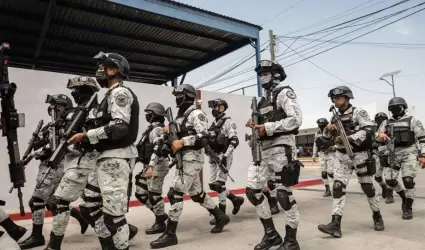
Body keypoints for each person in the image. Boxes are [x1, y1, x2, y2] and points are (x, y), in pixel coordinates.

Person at [67, 52, 139, 250]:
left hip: (116, 157)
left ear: (113, 70)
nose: (98, 71)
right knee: (90, 204)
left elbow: (119, 127)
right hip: (104, 158)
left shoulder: (119, 93)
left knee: (114, 216)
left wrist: (87, 135)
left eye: (102, 67)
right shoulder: (107, 96)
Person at [150, 84, 230, 249]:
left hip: (192, 158)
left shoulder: (197, 114)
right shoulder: (179, 117)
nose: (177, 98)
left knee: (175, 193)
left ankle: (170, 234)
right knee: (196, 194)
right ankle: (220, 216)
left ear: (187, 96)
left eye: (179, 95)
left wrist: (182, 141)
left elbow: (204, 136)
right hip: (183, 158)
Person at [20, 93, 89, 249]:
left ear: (65, 107)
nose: (53, 109)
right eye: (52, 106)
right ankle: (82, 218)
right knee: (53, 203)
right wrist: (35, 144)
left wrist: (35, 154)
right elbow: (40, 144)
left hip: (55, 166)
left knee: (37, 201)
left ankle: (37, 237)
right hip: (47, 166)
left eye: (57, 106)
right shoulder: (51, 126)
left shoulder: (68, 126)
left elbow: (62, 148)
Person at [246, 60, 302, 250]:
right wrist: (254, 125)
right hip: (263, 151)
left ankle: (291, 241)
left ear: (276, 74)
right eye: (261, 74)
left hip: (281, 148)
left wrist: (267, 127)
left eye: (266, 73)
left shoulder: (284, 92)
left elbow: (296, 120)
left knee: (283, 194)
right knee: (253, 191)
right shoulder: (262, 101)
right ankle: (271, 234)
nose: (262, 77)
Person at [318, 86, 384, 238]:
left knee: (368, 188)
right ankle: (335, 224)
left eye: (338, 97)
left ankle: (377, 215)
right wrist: (328, 130)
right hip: (341, 156)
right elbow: (326, 137)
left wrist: (351, 137)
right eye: (333, 98)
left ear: (347, 98)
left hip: (360, 155)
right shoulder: (334, 117)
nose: (335, 100)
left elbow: (370, 129)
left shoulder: (358, 112)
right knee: (337, 186)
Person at [377, 97, 425, 220]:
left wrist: (423, 155)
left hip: (409, 152)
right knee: (389, 180)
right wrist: (380, 135)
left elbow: (422, 138)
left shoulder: (412, 121)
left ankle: (408, 207)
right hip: (392, 152)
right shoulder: (386, 123)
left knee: (408, 180)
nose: (394, 110)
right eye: (391, 108)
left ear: (403, 107)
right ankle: (404, 196)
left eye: (396, 107)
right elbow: (377, 135)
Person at [207, 98, 244, 225]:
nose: (213, 110)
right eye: (212, 108)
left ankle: (221, 216)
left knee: (219, 185)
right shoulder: (213, 124)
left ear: (221, 108)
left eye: (215, 107)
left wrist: (225, 156)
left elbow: (235, 140)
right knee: (212, 184)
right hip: (214, 157)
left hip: (225, 155)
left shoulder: (228, 122)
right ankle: (235, 199)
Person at [135, 102, 170, 234]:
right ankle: (160, 214)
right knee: (140, 192)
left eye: (149, 113)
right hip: (149, 165)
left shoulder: (157, 130)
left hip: (157, 166)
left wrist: (150, 166)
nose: (146, 115)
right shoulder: (151, 129)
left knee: (154, 195)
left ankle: (160, 223)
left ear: (155, 114)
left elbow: (157, 147)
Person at [373, 112, 393, 204]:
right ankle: (383, 187)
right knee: (377, 176)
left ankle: (390, 195)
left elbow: (392, 142)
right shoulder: (374, 129)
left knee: (388, 176)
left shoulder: (389, 127)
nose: (380, 121)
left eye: (382, 119)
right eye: (378, 120)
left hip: (387, 153)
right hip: (377, 154)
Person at [312, 118, 335, 197]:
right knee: (324, 173)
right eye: (319, 125)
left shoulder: (331, 131)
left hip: (330, 154)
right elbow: (315, 144)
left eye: (322, 125)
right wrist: (314, 155)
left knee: (330, 172)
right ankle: (327, 189)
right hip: (321, 154)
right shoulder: (317, 133)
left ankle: (338, 186)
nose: (320, 126)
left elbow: (335, 141)